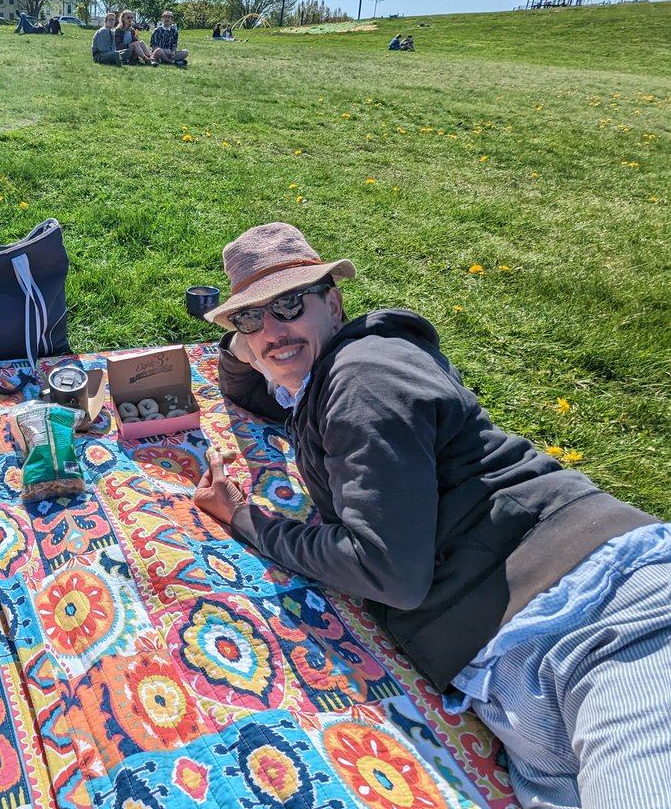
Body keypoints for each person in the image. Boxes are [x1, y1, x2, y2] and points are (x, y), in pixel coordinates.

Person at [192, 221, 670, 809]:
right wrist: (253, 341)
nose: (272, 328)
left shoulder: (365, 379)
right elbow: (256, 392)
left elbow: (388, 572)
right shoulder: (327, 373)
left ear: (334, 300)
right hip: (517, 667)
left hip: (600, 611)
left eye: (290, 303)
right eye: (250, 316)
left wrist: (246, 520)